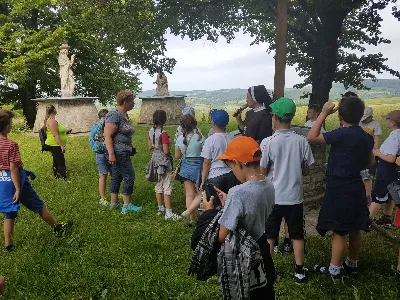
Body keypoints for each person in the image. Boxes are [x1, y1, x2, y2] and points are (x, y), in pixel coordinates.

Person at [307, 97, 375, 279]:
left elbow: (312, 136)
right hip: (356, 185)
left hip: (339, 187)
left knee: (340, 230)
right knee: (355, 228)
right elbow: (370, 162)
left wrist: (322, 114)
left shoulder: (340, 134)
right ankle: (352, 264)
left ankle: (334, 270)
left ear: (339, 115)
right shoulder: (365, 136)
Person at [203, 136, 276, 299]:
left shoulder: (238, 193)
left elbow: (221, 236)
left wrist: (209, 211)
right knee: (264, 291)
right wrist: (230, 202)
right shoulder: (269, 185)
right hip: (262, 247)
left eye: (230, 165)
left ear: (240, 163)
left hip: (243, 256)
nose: (231, 170)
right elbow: (252, 206)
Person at [0, 110, 73, 252]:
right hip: (15, 181)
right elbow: (14, 168)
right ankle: (58, 228)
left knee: (9, 213)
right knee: (39, 205)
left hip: (2, 181)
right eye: (11, 123)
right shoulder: (11, 145)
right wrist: (18, 188)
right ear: (7, 127)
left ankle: (8, 246)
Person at [260, 97, 315, 285]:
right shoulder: (301, 141)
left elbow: (262, 170)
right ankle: (300, 271)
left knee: (269, 235)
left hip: (273, 196)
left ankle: (267, 271)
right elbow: (307, 169)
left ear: (275, 117)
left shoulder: (268, 142)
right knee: (297, 234)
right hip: (294, 197)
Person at [181, 110, 238, 225]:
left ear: (213, 123)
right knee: (227, 201)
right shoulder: (232, 137)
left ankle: (211, 224)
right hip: (231, 174)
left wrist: (203, 180)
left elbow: (206, 162)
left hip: (215, 175)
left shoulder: (211, 140)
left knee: (212, 201)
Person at [104, 90, 142, 215]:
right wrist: (111, 153)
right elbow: (107, 135)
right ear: (126, 102)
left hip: (122, 151)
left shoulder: (124, 115)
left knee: (117, 176)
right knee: (129, 176)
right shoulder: (114, 115)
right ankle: (126, 206)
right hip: (118, 152)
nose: (134, 104)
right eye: (132, 101)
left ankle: (114, 203)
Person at [147, 110, 180, 220]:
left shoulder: (151, 131)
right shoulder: (164, 133)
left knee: (159, 185)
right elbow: (166, 151)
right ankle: (168, 213)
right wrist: (169, 142)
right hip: (164, 162)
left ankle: (160, 207)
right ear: (164, 120)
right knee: (167, 185)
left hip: (154, 160)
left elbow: (150, 147)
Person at [369, 110, 400, 226]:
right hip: (394, 171)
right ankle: (387, 218)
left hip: (387, 169)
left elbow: (391, 158)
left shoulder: (394, 136)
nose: (385, 121)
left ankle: (365, 220)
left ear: (393, 123)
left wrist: (376, 153)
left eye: (387, 119)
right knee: (391, 192)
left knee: (379, 194)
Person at [175, 115, 205, 220]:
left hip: (185, 166)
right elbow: (205, 152)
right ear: (194, 124)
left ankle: (191, 218)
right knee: (201, 193)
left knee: (189, 194)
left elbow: (178, 156)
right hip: (198, 167)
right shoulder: (200, 137)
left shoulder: (179, 139)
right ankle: (189, 212)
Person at [359, 106, 382, 204]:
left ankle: (368, 197)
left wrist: (373, 153)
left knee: (366, 176)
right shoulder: (358, 122)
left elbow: (376, 141)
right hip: (357, 153)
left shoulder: (376, 124)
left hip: (369, 153)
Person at [89, 109, 110, 206]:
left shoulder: (94, 127)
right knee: (114, 175)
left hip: (99, 153)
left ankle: (102, 198)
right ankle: (115, 193)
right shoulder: (108, 126)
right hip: (109, 153)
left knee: (102, 175)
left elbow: (91, 140)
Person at [44, 105, 69, 180]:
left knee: (56, 160)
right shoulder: (52, 121)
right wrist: (61, 146)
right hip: (54, 144)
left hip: (54, 143)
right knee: (61, 161)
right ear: (54, 110)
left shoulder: (51, 120)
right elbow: (55, 134)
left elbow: (56, 132)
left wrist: (65, 132)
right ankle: (63, 178)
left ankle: (56, 176)